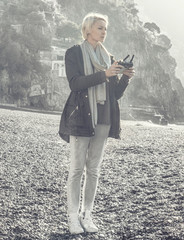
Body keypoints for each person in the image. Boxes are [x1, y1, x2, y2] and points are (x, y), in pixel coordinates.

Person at [58, 12, 135, 234]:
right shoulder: (73, 53)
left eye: (106, 28)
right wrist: (105, 75)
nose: (104, 32)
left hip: (104, 118)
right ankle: (73, 218)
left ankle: (87, 214)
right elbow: (75, 84)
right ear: (88, 29)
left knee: (93, 170)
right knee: (76, 170)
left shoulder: (108, 58)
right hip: (81, 117)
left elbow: (115, 95)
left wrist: (126, 77)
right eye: (100, 27)